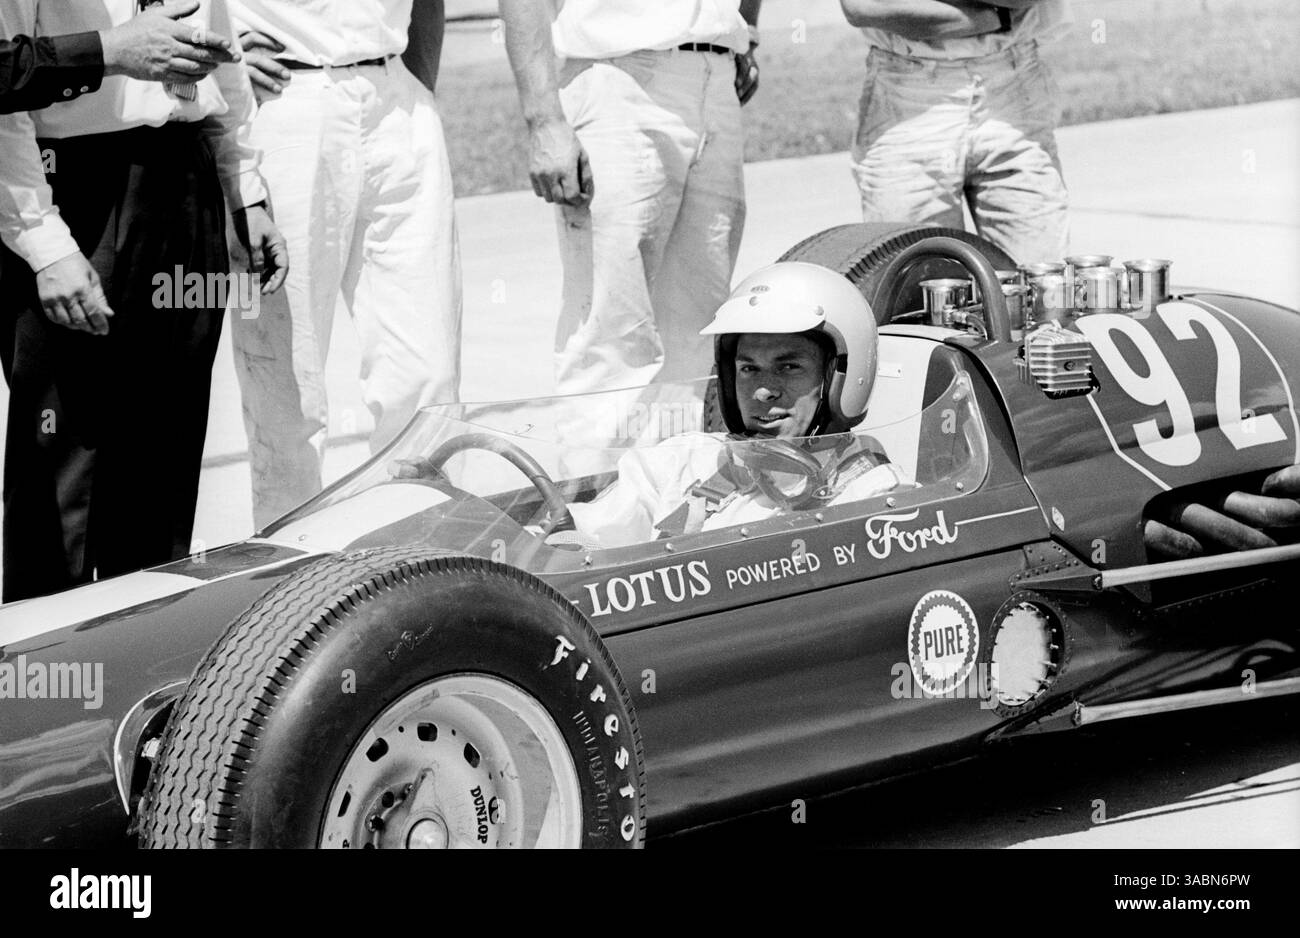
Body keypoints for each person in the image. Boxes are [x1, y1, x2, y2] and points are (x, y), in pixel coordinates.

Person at [0, 0, 287, 602]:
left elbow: (219, 56)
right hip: (75, 188)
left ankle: (145, 672)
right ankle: (50, 683)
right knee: (65, 473)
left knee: (165, 462)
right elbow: (3, 99)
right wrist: (44, 242)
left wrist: (243, 189)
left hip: (184, 177)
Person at [393, 262, 913, 549]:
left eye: (789, 367)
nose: (763, 390)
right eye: (748, 368)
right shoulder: (686, 461)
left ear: (841, 376)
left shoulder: (871, 495)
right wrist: (479, 529)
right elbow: (592, 527)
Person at [227, 0, 463, 529]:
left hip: (395, 92)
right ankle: (288, 579)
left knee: (428, 369)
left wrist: (414, 85)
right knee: (286, 388)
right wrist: (218, 62)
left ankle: (425, 551)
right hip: (285, 96)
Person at [499, 0, 762, 399]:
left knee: (700, 326)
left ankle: (684, 461)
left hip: (717, 75)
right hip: (617, 74)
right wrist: (544, 118)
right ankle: (601, 464)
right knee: (611, 330)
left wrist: (747, 31)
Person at [841, 0, 1071, 263]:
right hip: (905, 95)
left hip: (1012, 87)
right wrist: (996, 15)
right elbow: (864, 6)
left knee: (1040, 284)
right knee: (918, 282)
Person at [0, 1, 238, 114]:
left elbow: (231, 75)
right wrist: (35, 208)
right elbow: (9, 70)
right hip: (82, 165)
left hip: (194, 157)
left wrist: (244, 185)